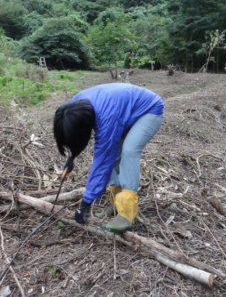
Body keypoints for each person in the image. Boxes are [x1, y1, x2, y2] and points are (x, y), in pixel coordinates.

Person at [53, 83, 164, 233]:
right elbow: (75, 134)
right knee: (114, 153)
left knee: (128, 151)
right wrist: (71, 157)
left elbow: (103, 160)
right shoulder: (72, 108)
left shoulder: (105, 117)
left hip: (148, 110)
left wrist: (85, 203)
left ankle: (126, 213)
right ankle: (117, 203)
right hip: (121, 111)